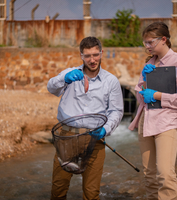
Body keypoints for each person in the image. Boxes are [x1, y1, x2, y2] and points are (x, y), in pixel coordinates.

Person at [47, 36, 124, 200]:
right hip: (67, 137)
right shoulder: (70, 73)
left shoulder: (111, 81)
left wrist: (106, 129)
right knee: (58, 188)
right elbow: (51, 87)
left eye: (96, 54)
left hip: (95, 141)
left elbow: (116, 111)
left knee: (91, 192)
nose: (92, 60)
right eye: (87, 56)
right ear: (81, 55)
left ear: (102, 53)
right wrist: (64, 79)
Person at [128, 22, 177, 199]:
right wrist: (143, 81)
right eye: (145, 43)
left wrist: (158, 95)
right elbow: (140, 99)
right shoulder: (150, 63)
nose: (147, 47)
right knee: (149, 176)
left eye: (150, 42)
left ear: (163, 39)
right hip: (146, 122)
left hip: (166, 123)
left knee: (165, 175)